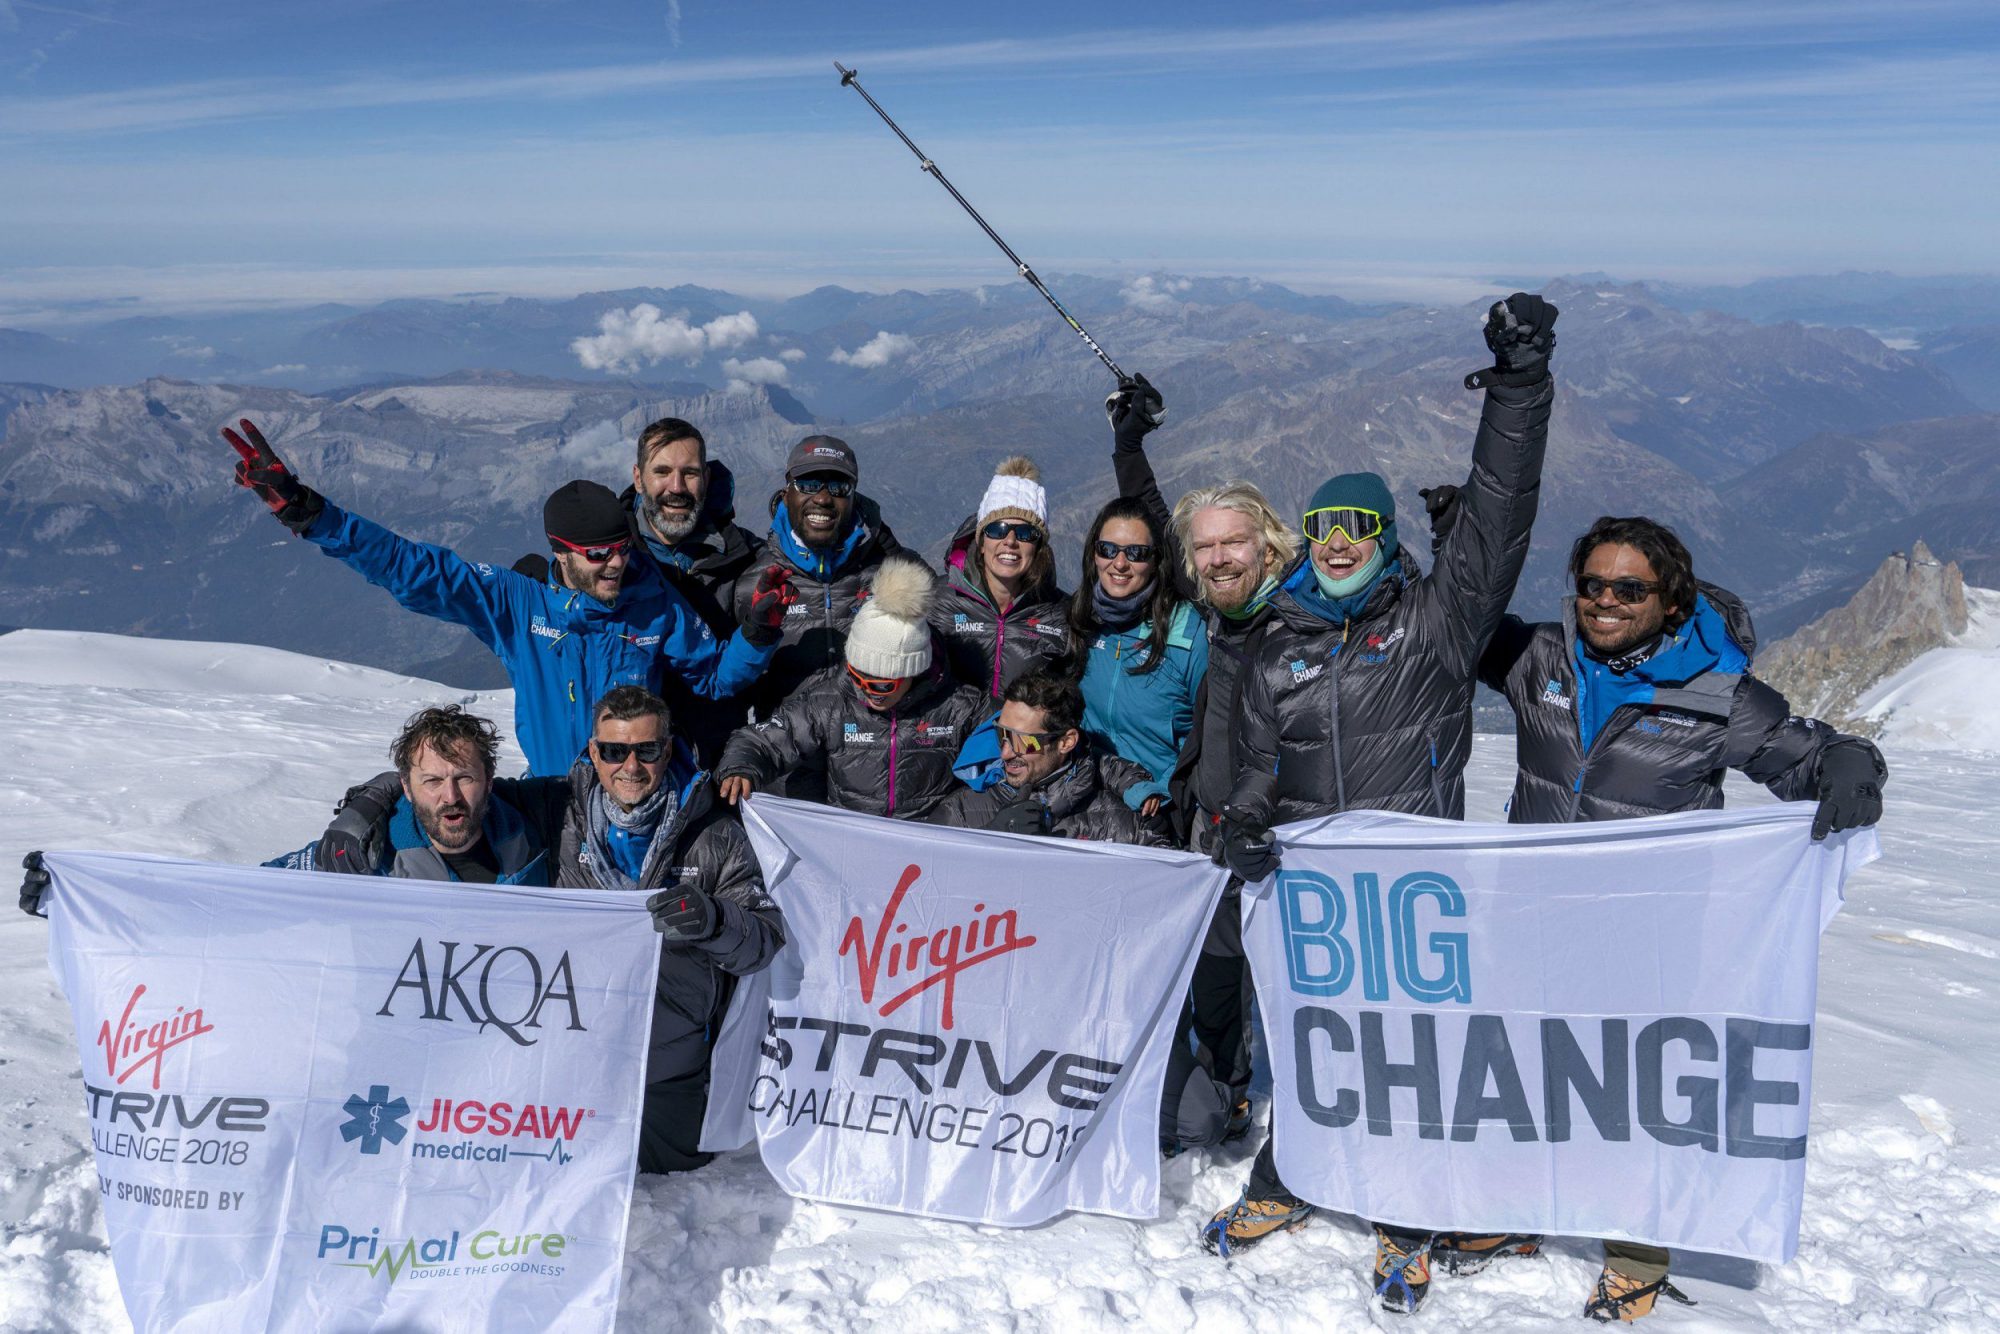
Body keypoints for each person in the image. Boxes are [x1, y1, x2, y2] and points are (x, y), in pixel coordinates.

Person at [1202, 293, 1559, 1316]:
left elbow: (1496, 516)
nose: (1340, 540)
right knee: (1313, 1039)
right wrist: (1244, 818)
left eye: (1357, 524)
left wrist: (1519, 386)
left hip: (1416, 885)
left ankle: (1408, 1212)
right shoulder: (1281, 638)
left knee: (1412, 1050)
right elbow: (1261, 762)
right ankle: (1289, 1175)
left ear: (1381, 533)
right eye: (1322, 526)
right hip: (1318, 889)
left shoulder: (1433, 624)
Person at [1475, 514, 1886, 1322]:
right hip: (1529, 919)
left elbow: (1807, 751)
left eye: (1630, 589)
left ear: (1671, 599)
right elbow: (1457, 621)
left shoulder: (1717, 694)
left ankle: (1636, 1254)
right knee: (1525, 1073)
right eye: (1592, 585)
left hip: (1646, 938)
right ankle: (1518, 1214)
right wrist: (1470, 541)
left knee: (1631, 1095)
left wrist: (1850, 762)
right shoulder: (1540, 659)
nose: (1604, 602)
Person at [220, 418, 791, 776]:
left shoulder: (654, 604)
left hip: (643, 802)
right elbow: (410, 568)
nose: (616, 562)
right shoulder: (520, 605)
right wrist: (307, 512)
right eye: (597, 554)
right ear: (562, 553)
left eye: (621, 549)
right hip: (556, 802)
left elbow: (715, 678)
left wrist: (760, 631)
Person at [1107, 380, 1303, 1157]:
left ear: (1270, 546)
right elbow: (1158, 524)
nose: (1219, 558)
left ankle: (1310, 1118)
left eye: (1235, 543)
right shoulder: (1219, 609)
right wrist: (1129, 447)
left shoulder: (1301, 618)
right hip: (1214, 830)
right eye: (1207, 548)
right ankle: (1226, 1094)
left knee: (1295, 987)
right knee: (1218, 978)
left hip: (1290, 836)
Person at [551, 685, 784, 1174]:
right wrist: (374, 802)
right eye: (614, 751)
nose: (630, 767)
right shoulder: (558, 819)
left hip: (670, 1071)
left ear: (669, 748)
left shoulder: (714, 834)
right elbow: (461, 795)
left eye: (647, 750)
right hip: (573, 1064)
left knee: (672, 1203)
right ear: (593, 752)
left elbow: (763, 941)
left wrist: (714, 921)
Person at [716, 557, 989, 822]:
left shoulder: (959, 706)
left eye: (883, 684)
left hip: (930, 845)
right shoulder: (833, 700)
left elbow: (1008, 760)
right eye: (859, 677)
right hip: (852, 844)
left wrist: (949, 820)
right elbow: (763, 739)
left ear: (914, 671)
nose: (867, 691)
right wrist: (742, 765)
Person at [621, 417, 770, 769]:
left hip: (717, 766)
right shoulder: (608, 558)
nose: (676, 487)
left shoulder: (747, 558)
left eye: (689, 473)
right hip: (625, 764)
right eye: (662, 472)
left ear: (706, 478)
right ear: (639, 479)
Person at [263, 705, 552, 883]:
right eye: (432, 781)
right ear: (406, 788)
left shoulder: (533, 834)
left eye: (464, 778)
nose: (450, 797)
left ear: (489, 781)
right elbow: (259, 888)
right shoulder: (366, 855)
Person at [744, 435, 914, 730]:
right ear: (787, 492)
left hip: (869, 757)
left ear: (854, 496)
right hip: (787, 760)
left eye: (838, 486)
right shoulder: (755, 583)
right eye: (808, 484)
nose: (823, 497)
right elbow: (729, 684)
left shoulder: (892, 573)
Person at [1069, 496, 1208, 816]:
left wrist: (1165, 790)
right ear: (1094, 553)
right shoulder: (1079, 622)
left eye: (1136, 553)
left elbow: (1206, 735)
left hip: (1160, 809)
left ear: (1156, 560)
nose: (1119, 563)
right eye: (1108, 549)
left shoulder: (1187, 635)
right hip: (1085, 800)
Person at [929, 669, 1170, 845]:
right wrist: (989, 837)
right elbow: (921, 881)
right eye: (1001, 734)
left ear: (1066, 742)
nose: (1005, 753)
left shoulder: (1126, 824)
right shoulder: (958, 811)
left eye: (1024, 741)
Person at [933, 457, 1071, 700]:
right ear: (981, 541)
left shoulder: (1062, 614)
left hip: (1027, 738)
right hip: (956, 738)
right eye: (997, 529)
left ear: (1038, 547)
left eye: (1025, 533)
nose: (1010, 541)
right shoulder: (936, 602)